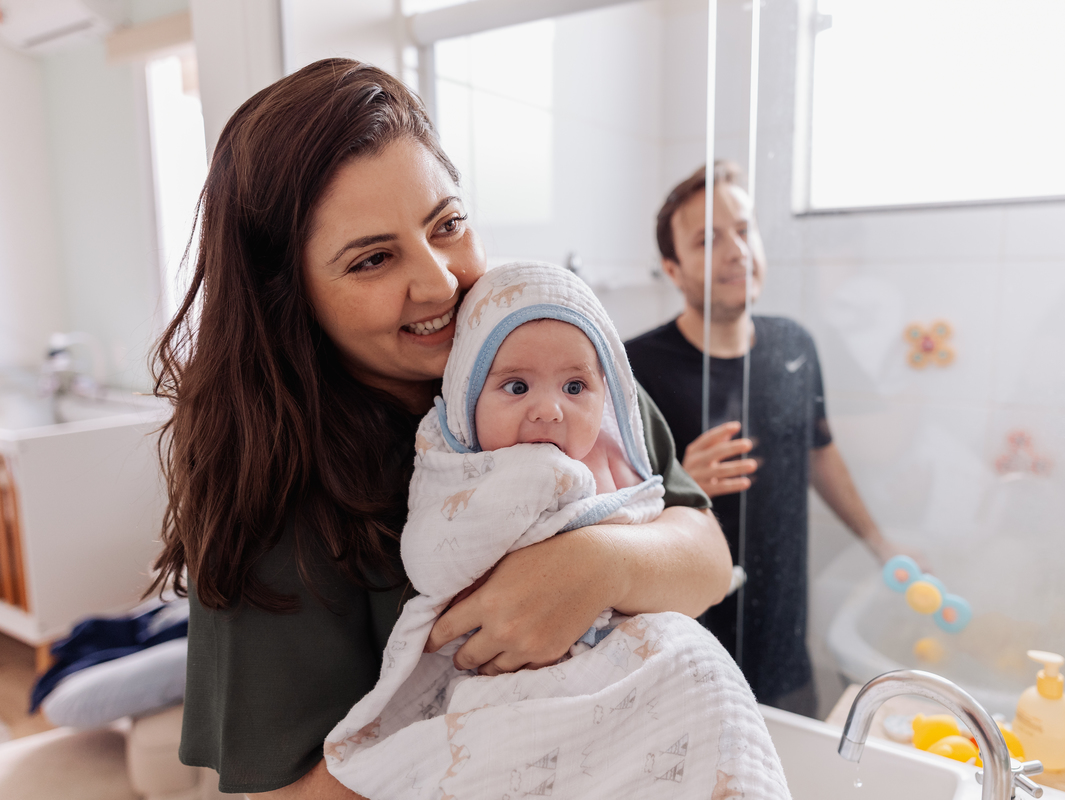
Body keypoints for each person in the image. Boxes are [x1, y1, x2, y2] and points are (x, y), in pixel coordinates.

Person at [148, 60, 731, 798]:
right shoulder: (275, 491)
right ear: (287, 292)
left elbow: (706, 555)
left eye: (446, 225)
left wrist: (594, 567)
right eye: (373, 260)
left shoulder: (548, 358)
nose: (440, 283)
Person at [323, 261, 787, 799]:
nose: (549, 410)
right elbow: (433, 558)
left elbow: (687, 546)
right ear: (467, 401)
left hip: (626, 661)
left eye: (575, 387)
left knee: (704, 675)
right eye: (516, 387)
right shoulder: (459, 467)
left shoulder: (616, 452)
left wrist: (604, 562)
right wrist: (544, 480)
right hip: (506, 684)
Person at [625, 161, 899, 717]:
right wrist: (679, 487)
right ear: (673, 270)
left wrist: (880, 544)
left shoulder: (793, 345)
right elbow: (603, 516)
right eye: (708, 240)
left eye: (744, 230)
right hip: (684, 657)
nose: (736, 251)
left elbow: (820, 455)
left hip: (784, 645)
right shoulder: (633, 369)